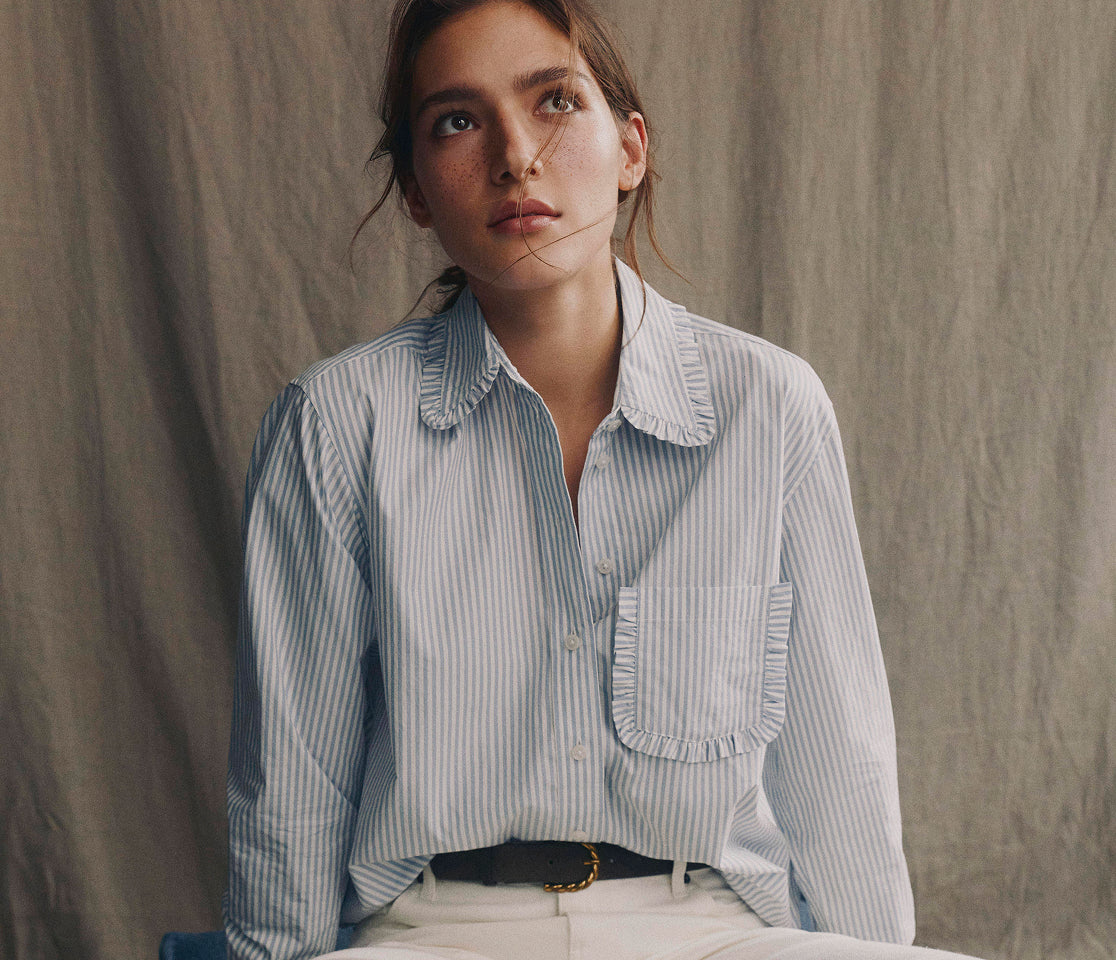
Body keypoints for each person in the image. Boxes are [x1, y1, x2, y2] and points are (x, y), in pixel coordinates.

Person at [224, 1, 981, 958]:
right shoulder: (335, 425)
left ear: (629, 149)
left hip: (712, 927)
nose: (514, 156)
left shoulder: (768, 406)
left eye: (554, 101)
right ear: (416, 189)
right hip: (437, 929)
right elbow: (287, 784)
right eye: (456, 121)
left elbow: (840, 766)